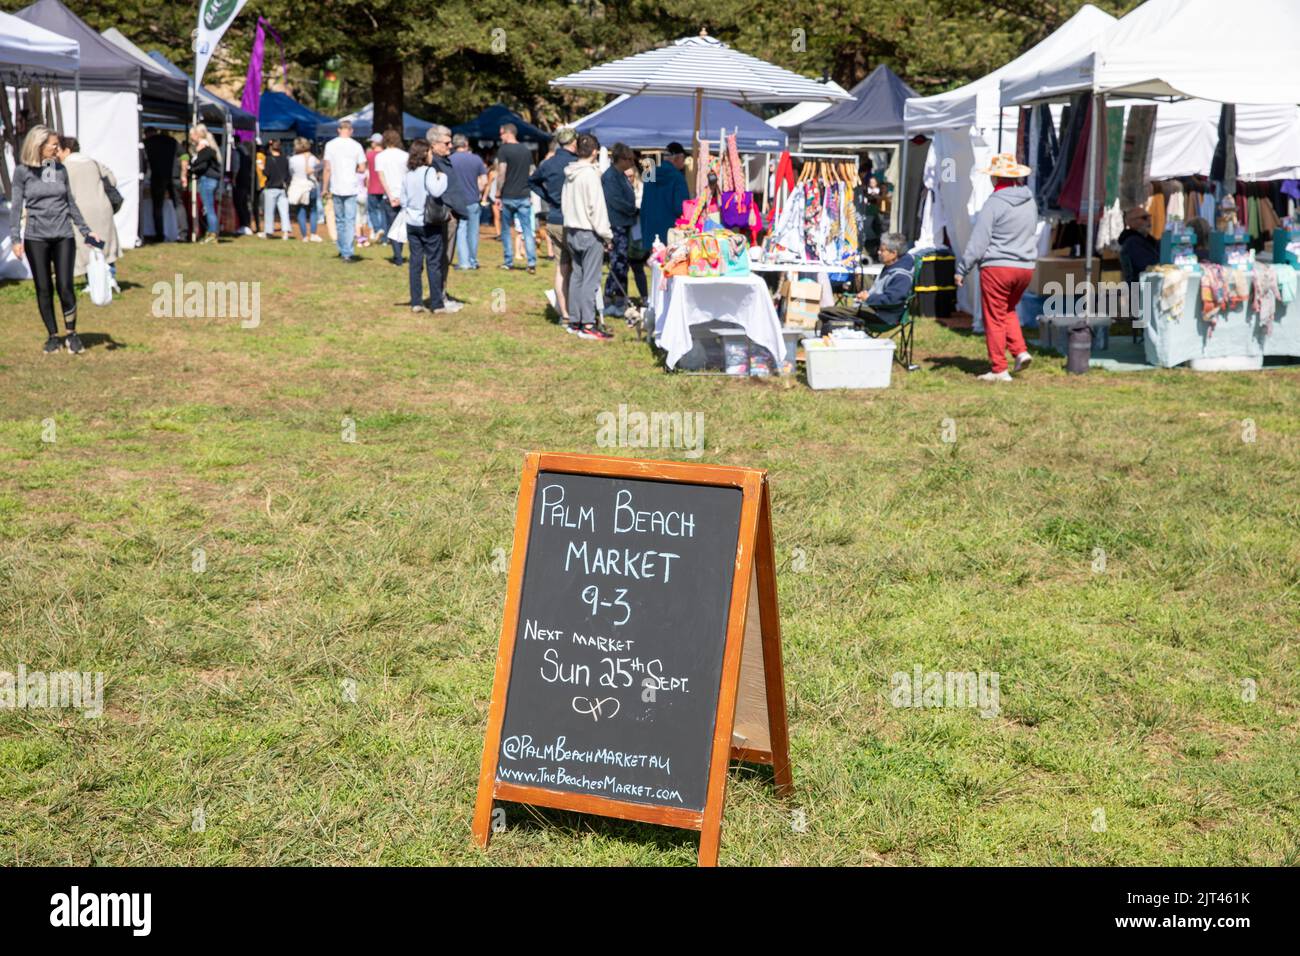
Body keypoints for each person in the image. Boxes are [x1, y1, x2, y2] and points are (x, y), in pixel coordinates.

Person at [9, 126, 101, 354]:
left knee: (65, 286)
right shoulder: (23, 172)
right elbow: (16, 206)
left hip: (63, 235)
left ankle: (72, 333)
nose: (57, 149)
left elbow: (69, 202)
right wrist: (15, 238)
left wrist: (86, 230)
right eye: (53, 145)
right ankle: (52, 335)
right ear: (39, 146)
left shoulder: (57, 169)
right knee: (43, 287)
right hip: (36, 237)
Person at [956, 153, 1038, 382]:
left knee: (993, 316)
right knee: (1008, 309)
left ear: (995, 178)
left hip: (998, 268)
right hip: (1025, 267)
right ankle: (1020, 351)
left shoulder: (994, 203)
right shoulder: (1030, 201)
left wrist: (962, 269)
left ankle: (999, 368)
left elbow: (978, 241)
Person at [399, 138, 461, 315]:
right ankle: (436, 303)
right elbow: (436, 191)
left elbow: (403, 199)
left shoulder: (408, 174)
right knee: (433, 262)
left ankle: (416, 302)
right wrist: (442, 178)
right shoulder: (429, 172)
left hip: (412, 222)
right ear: (425, 153)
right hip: (428, 222)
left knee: (415, 263)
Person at [561, 133, 613, 340]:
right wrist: (607, 236)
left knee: (577, 276)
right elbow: (597, 209)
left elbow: (565, 202)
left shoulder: (570, 173)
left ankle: (575, 320)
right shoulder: (590, 175)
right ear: (595, 152)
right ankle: (588, 323)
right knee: (590, 280)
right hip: (588, 230)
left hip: (571, 229)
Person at [530, 128, 577, 321]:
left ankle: (564, 313)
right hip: (575, 220)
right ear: (573, 143)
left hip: (555, 218)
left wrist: (549, 197)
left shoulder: (548, 164)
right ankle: (575, 311)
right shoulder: (576, 163)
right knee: (577, 268)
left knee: (561, 267)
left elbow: (532, 181)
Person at [57, 136, 121, 277]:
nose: (57, 154)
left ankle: (95, 281)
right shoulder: (94, 162)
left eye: (59, 150)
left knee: (88, 247)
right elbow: (112, 180)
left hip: (82, 213)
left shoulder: (63, 168)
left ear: (67, 150)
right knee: (103, 245)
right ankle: (110, 277)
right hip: (102, 209)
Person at [322, 119, 368, 261]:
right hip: (351, 186)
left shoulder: (330, 145)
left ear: (338, 130)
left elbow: (327, 168)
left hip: (336, 186)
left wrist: (324, 187)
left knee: (339, 220)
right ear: (351, 130)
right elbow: (362, 168)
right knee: (350, 220)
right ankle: (347, 251)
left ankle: (342, 249)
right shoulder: (356, 146)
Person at [601, 142, 639, 318]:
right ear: (620, 159)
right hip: (616, 225)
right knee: (617, 263)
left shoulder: (620, 175)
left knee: (622, 264)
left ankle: (620, 299)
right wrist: (632, 209)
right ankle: (609, 299)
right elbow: (614, 200)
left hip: (624, 224)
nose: (632, 161)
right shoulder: (610, 176)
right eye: (629, 158)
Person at [495, 123, 536, 273]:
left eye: (501, 134)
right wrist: (530, 191)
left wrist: (498, 194)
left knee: (506, 230)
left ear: (507, 133)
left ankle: (508, 261)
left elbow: (501, 173)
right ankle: (531, 263)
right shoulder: (526, 150)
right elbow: (532, 172)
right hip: (524, 196)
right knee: (527, 230)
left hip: (508, 196)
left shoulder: (504, 150)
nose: (500, 137)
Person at [854, 232, 914, 324]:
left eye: (882, 250)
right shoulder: (890, 266)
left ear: (894, 253)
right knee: (831, 312)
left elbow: (893, 299)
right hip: (875, 310)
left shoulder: (901, 275)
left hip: (883, 316)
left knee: (829, 313)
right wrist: (867, 295)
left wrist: (869, 298)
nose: (878, 252)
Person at [639, 141, 689, 248]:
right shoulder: (678, 177)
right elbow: (681, 207)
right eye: (683, 159)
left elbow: (644, 202)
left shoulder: (649, 174)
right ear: (678, 157)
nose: (683, 163)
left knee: (652, 262)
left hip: (649, 230)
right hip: (670, 233)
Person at [449, 133, 487, 270]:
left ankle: (464, 262)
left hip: (457, 201)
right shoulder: (476, 159)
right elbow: (484, 180)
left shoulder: (449, 160)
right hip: (473, 200)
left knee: (461, 230)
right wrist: (479, 192)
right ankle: (473, 260)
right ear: (466, 144)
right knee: (473, 232)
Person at [375, 129, 410, 266]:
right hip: (404, 195)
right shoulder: (405, 156)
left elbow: (381, 177)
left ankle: (397, 256)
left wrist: (390, 195)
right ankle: (399, 253)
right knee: (402, 225)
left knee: (392, 225)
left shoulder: (380, 156)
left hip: (389, 195)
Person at [188, 124, 223, 244]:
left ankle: (212, 234)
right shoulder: (210, 149)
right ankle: (210, 232)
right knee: (208, 208)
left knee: (209, 208)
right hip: (210, 180)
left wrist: (191, 167)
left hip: (207, 180)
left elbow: (199, 164)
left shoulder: (206, 149)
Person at [143, 126, 177, 242]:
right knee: (173, 204)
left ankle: (159, 234)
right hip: (170, 176)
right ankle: (178, 230)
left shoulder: (148, 143)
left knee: (157, 208)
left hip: (157, 177)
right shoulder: (171, 141)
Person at [288, 138, 323, 242]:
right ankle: (313, 233)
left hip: (298, 186)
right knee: (313, 210)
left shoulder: (292, 159)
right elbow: (319, 168)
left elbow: (291, 172)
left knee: (301, 211)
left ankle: (304, 236)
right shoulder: (312, 158)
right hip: (310, 185)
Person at [259, 138, 291, 240]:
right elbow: (288, 175)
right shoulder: (285, 159)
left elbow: (266, 173)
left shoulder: (268, 159)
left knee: (269, 212)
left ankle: (268, 231)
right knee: (284, 212)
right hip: (282, 189)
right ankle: (285, 232)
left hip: (271, 188)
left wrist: (262, 168)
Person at [1118, 206, 1159, 282]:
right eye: (1144, 218)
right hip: (1140, 289)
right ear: (1131, 222)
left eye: (1149, 217)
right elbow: (1148, 266)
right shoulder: (1132, 242)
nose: (1149, 220)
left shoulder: (1148, 240)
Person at [365, 132, 389, 245]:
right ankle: (385, 238)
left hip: (372, 187)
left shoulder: (369, 155)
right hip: (384, 188)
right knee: (384, 212)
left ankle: (377, 228)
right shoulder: (386, 155)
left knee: (372, 210)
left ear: (375, 142)